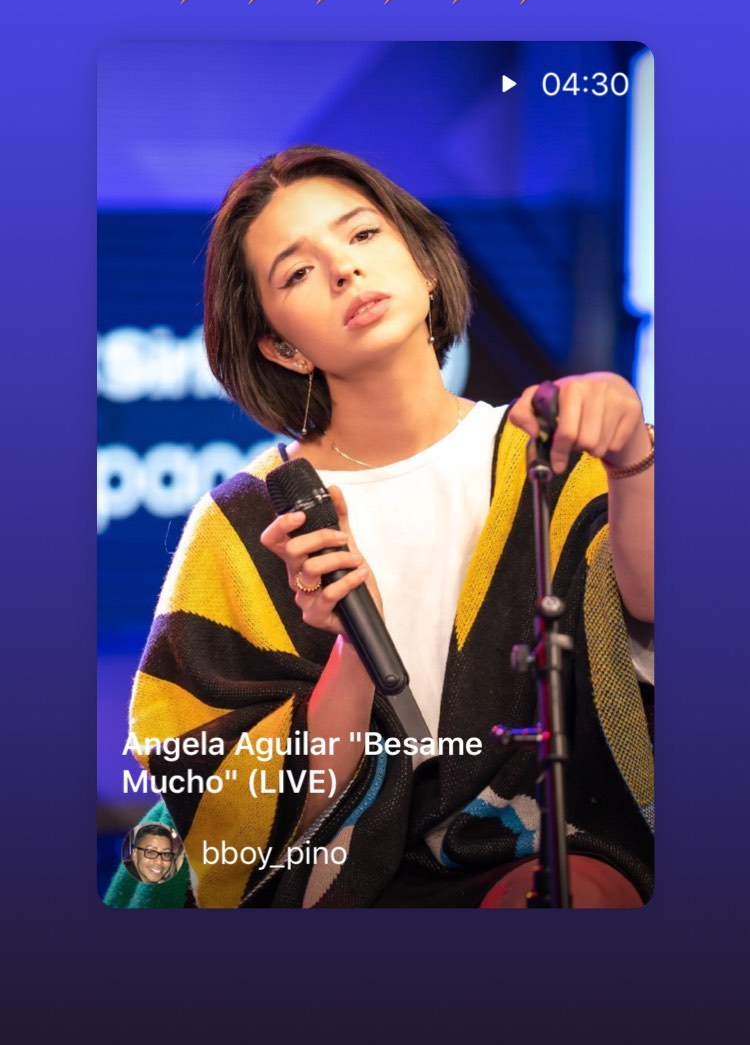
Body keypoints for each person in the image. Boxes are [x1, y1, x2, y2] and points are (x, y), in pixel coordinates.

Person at [126, 144, 654, 909]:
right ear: (282, 346)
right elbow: (245, 823)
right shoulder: (243, 525)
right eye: (298, 272)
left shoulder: (556, 453)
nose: (344, 269)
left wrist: (633, 462)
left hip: (554, 864)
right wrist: (352, 656)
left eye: (363, 234)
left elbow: (659, 627)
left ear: (425, 265)